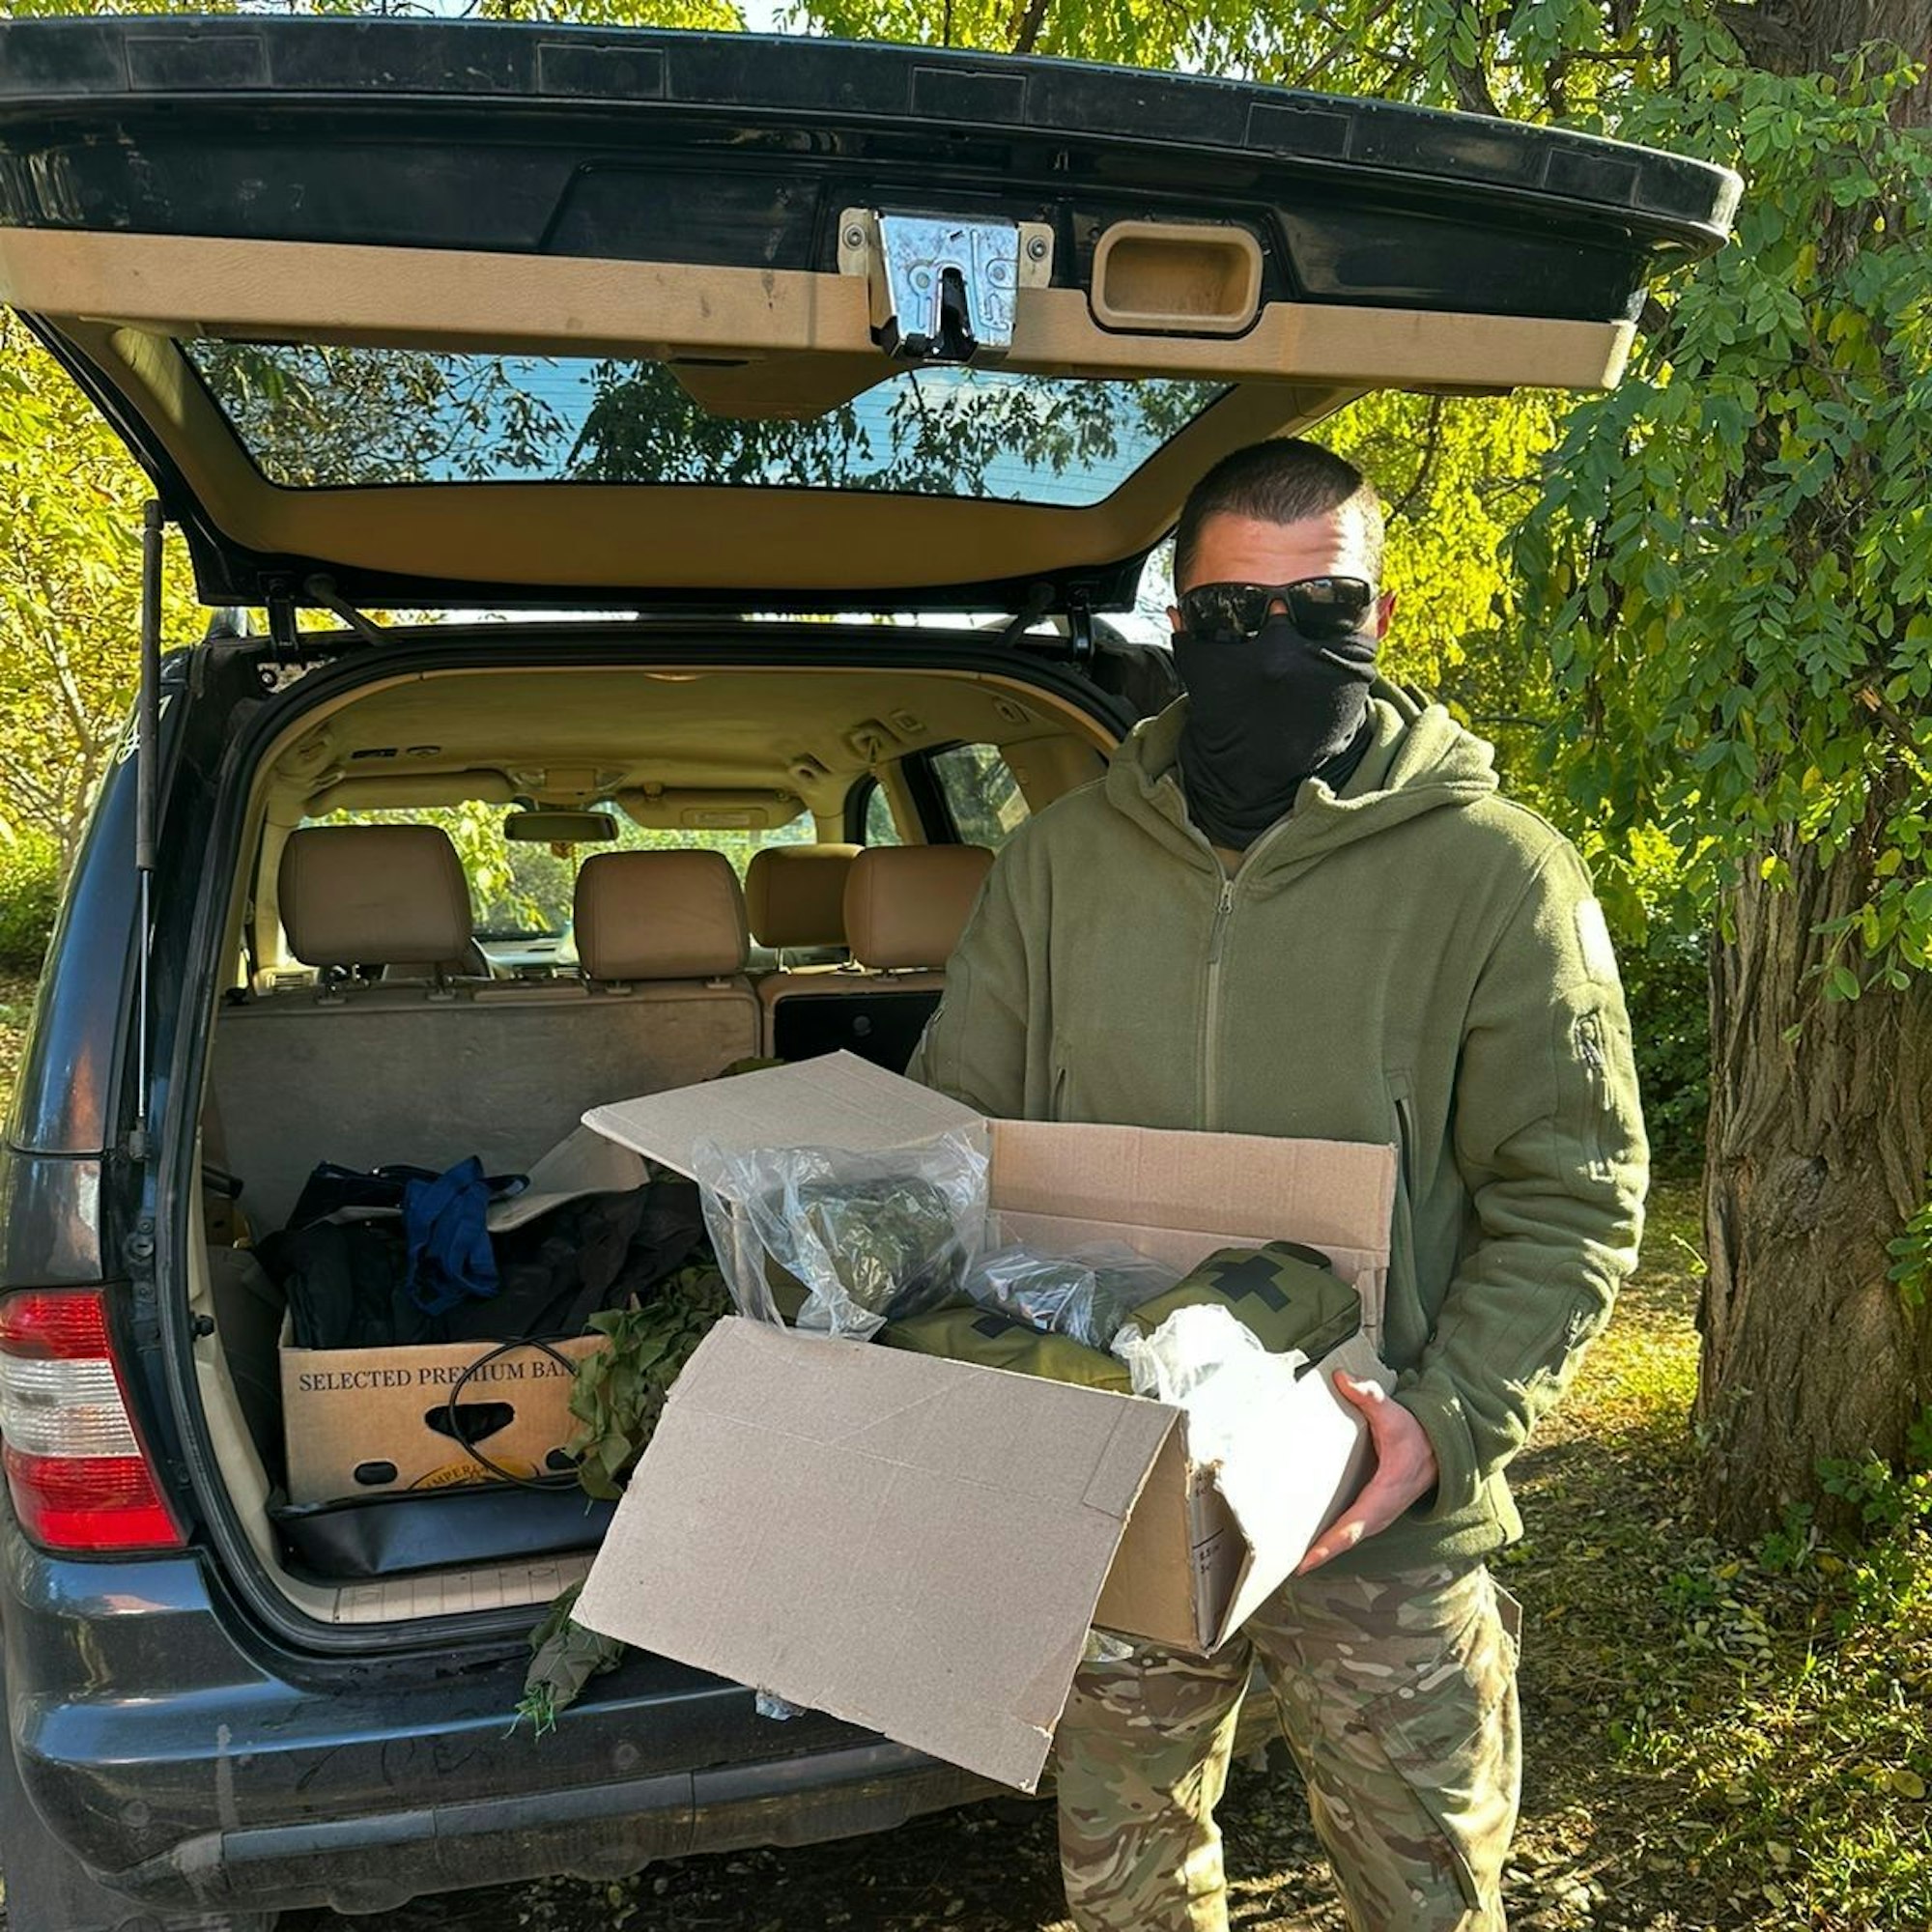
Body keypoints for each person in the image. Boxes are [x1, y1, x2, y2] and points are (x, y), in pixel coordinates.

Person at [906, 437, 1648, 1932]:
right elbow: (949, 1144)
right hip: (1117, 1477)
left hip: (1379, 1503)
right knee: (1125, 1874)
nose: (1282, 657)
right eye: (1239, 621)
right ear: (1179, 627)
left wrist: (1444, 1429)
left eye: (1329, 617)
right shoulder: (1057, 868)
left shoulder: (1497, 875)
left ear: (1381, 623)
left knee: (1424, 1892)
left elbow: (1573, 1197)